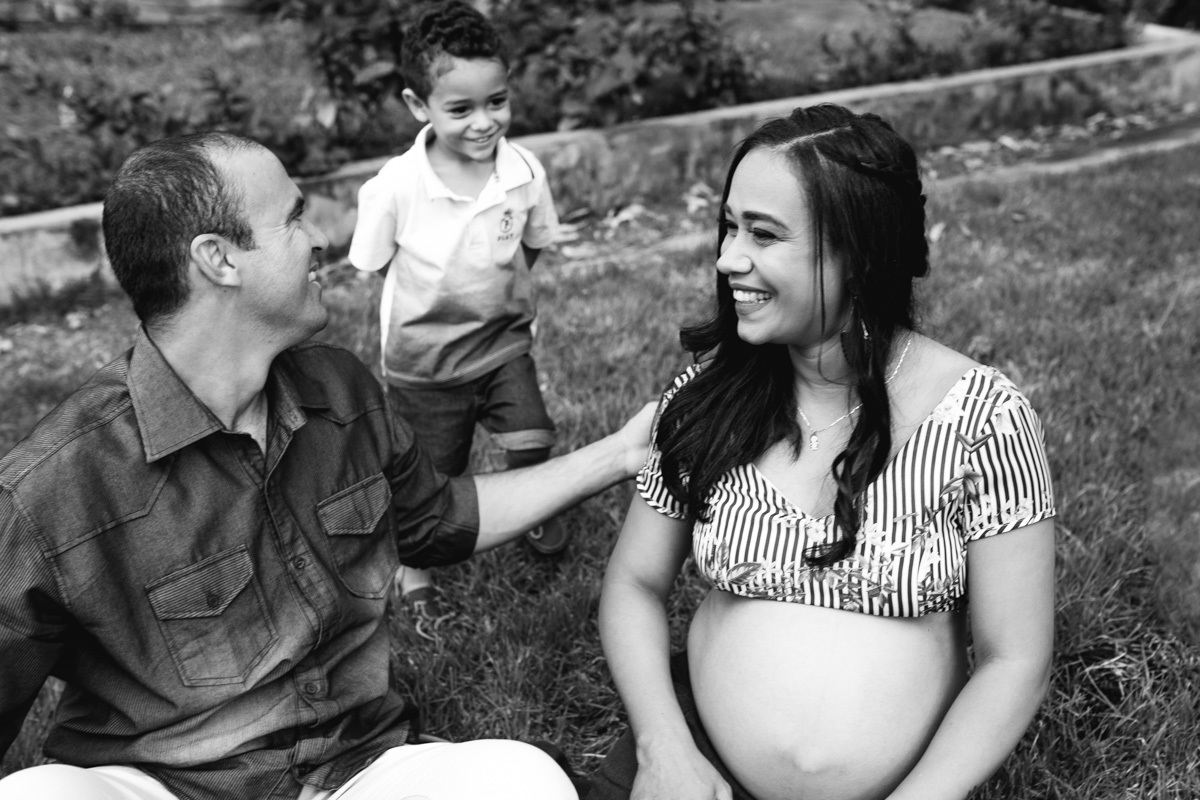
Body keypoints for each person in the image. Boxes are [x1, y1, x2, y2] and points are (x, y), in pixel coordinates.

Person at [0, 131, 653, 800]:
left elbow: (437, 519)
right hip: (163, 786)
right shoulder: (53, 487)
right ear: (218, 259)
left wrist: (623, 452)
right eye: (293, 218)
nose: (319, 240)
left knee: (523, 779)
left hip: (356, 772)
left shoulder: (340, 392)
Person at [591, 104, 1056, 800]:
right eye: (729, 226)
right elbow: (633, 585)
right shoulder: (706, 400)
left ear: (858, 250)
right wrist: (665, 751)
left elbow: (1014, 657)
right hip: (699, 775)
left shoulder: (985, 420)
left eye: (763, 234)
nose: (727, 259)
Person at [347, 0, 565, 630]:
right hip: (427, 366)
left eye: (495, 102)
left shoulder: (523, 171)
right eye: (460, 109)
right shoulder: (395, 187)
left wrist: (496, 297)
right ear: (420, 106)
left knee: (533, 437)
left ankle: (532, 506)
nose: (483, 122)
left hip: (503, 344)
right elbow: (378, 264)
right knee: (435, 477)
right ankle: (415, 568)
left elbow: (533, 243)